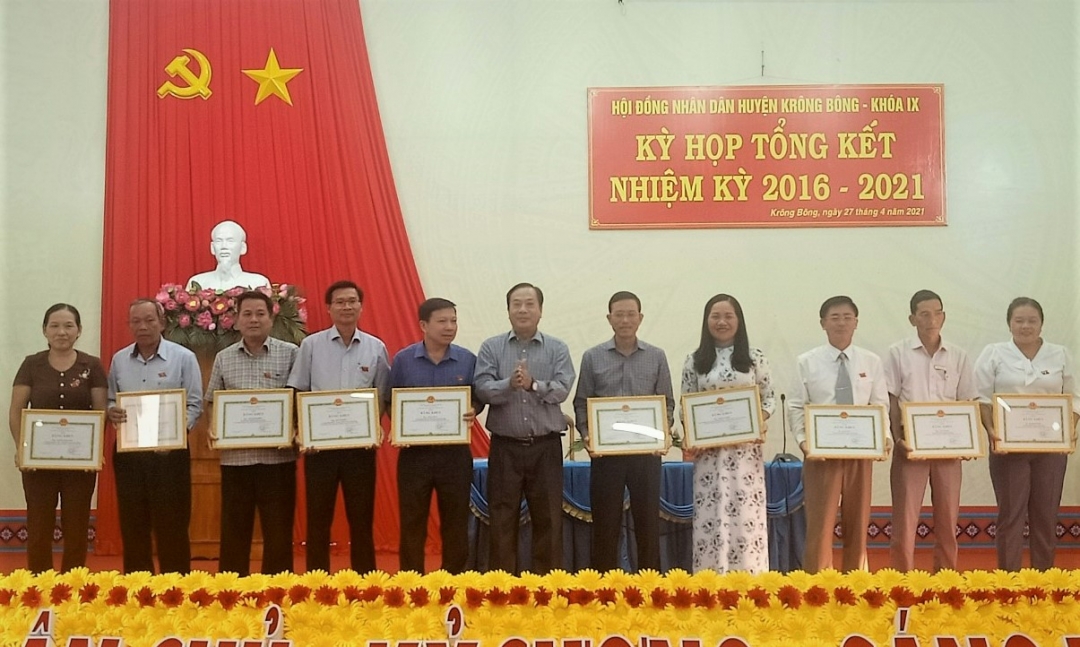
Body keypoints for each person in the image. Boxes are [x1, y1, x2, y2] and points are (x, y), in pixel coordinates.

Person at [287, 280, 390, 573]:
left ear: (361, 306)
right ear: (328, 308)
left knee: (362, 519)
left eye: (352, 301)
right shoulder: (311, 345)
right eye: (340, 302)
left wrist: (373, 426)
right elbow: (298, 389)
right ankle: (317, 580)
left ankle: (366, 581)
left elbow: (382, 394)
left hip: (360, 448)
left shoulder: (375, 347)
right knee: (318, 519)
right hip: (320, 448)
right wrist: (301, 428)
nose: (347, 307)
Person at [474, 282, 575, 574]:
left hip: (545, 446)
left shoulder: (557, 348)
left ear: (540, 310)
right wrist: (509, 384)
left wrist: (533, 385)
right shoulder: (491, 347)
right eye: (516, 304)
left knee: (549, 519)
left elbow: (562, 390)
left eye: (530, 304)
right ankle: (503, 586)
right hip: (505, 446)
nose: (523, 310)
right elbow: (482, 389)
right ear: (508, 311)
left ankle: (546, 587)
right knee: (502, 518)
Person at [974, 296, 1080, 571]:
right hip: (1008, 449)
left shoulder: (1060, 354)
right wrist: (991, 430)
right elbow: (981, 398)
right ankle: (1008, 583)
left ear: (1042, 324)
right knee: (1011, 516)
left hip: (1051, 450)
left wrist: (1070, 429)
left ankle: (1043, 582)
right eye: (1019, 320)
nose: (1025, 326)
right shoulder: (993, 353)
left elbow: (1074, 398)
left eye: (1032, 320)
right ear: (1009, 323)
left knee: (1046, 516)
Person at [573, 291, 674, 572]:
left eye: (631, 314)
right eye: (619, 314)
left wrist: (663, 432)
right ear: (609, 319)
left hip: (646, 455)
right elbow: (582, 402)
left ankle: (650, 585)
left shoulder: (656, 356)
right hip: (606, 457)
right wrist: (588, 435)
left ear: (640, 318)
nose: (625, 320)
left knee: (648, 525)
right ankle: (603, 587)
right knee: (605, 525)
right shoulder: (592, 357)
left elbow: (667, 402)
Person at [789, 295, 890, 574]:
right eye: (834, 317)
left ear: (856, 322)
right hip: (821, 456)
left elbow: (880, 404)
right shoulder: (806, 362)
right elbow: (796, 405)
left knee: (858, 523)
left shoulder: (871, 361)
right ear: (823, 323)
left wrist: (884, 438)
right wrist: (803, 442)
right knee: (820, 526)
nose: (841, 323)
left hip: (861, 453)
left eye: (847, 317)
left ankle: (855, 583)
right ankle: (817, 586)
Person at [205, 290, 299, 576]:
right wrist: (213, 426)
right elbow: (213, 400)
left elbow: (300, 398)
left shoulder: (291, 353)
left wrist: (295, 428)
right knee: (234, 530)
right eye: (247, 314)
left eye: (260, 314)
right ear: (236, 320)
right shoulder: (224, 357)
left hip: (278, 460)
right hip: (236, 460)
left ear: (271, 318)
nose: (254, 320)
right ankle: (232, 589)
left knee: (279, 531)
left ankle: (278, 588)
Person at [8, 304, 107, 573]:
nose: (61, 332)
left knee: (77, 524)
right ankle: (39, 583)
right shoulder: (31, 364)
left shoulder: (92, 365)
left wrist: (94, 450)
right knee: (39, 524)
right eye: (54, 326)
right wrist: (21, 448)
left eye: (68, 326)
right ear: (45, 330)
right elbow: (16, 411)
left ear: (79, 330)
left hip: (80, 463)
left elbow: (100, 412)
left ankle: (73, 583)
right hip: (38, 463)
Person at [679, 294, 774, 573]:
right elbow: (686, 404)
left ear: (739, 321)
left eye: (728, 316)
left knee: (746, 516)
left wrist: (757, 419)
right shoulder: (694, 360)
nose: (722, 322)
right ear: (706, 321)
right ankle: (710, 579)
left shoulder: (755, 358)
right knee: (711, 514)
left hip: (745, 456)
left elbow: (768, 399)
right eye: (715, 316)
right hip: (708, 457)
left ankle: (750, 579)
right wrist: (692, 432)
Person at [107, 299, 203, 574]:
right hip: (130, 454)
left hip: (170, 455)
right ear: (129, 325)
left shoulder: (183, 357)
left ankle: (176, 585)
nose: (143, 326)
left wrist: (175, 434)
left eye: (149, 320)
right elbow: (111, 399)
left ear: (162, 323)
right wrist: (111, 411)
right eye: (136, 321)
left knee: (173, 523)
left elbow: (194, 404)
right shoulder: (119, 360)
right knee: (133, 523)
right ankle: (138, 584)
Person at [886, 290, 977, 572]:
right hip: (910, 446)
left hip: (949, 449)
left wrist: (970, 442)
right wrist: (897, 439)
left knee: (948, 521)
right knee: (905, 520)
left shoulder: (958, 356)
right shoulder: (897, 353)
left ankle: (946, 581)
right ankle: (901, 582)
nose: (931, 319)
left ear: (944, 317)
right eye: (924, 314)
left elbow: (968, 401)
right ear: (912, 319)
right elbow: (891, 400)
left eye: (937, 313)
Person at [389, 297, 480, 574]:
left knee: (455, 520)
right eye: (442, 321)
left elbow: (478, 397)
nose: (449, 327)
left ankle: (453, 579)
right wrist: (399, 424)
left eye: (453, 321)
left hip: (454, 455)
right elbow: (390, 400)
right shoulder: (403, 360)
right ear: (423, 325)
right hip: (414, 455)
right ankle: (411, 580)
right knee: (412, 521)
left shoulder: (468, 360)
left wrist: (474, 409)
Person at [187, 220, 271, 290]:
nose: (224, 246)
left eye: (230, 241)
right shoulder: (198, 282)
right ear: (212, 247)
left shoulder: (258, 283)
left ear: (243, 248)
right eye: (219, 241)